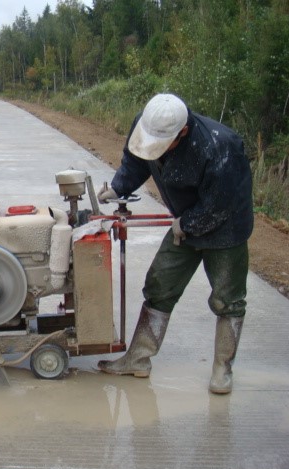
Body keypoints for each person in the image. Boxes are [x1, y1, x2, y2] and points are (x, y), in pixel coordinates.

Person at [97, 93, 253, 394]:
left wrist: (186, 224)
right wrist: (118, 187)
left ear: (182, 132)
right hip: (186, 217)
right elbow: (138, 161)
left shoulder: (220, 147)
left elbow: (220, 205)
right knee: (159, 286)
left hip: (226, 226)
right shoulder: (148, 124)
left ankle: (222, 368)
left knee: (228, 299)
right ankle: (138, 359)